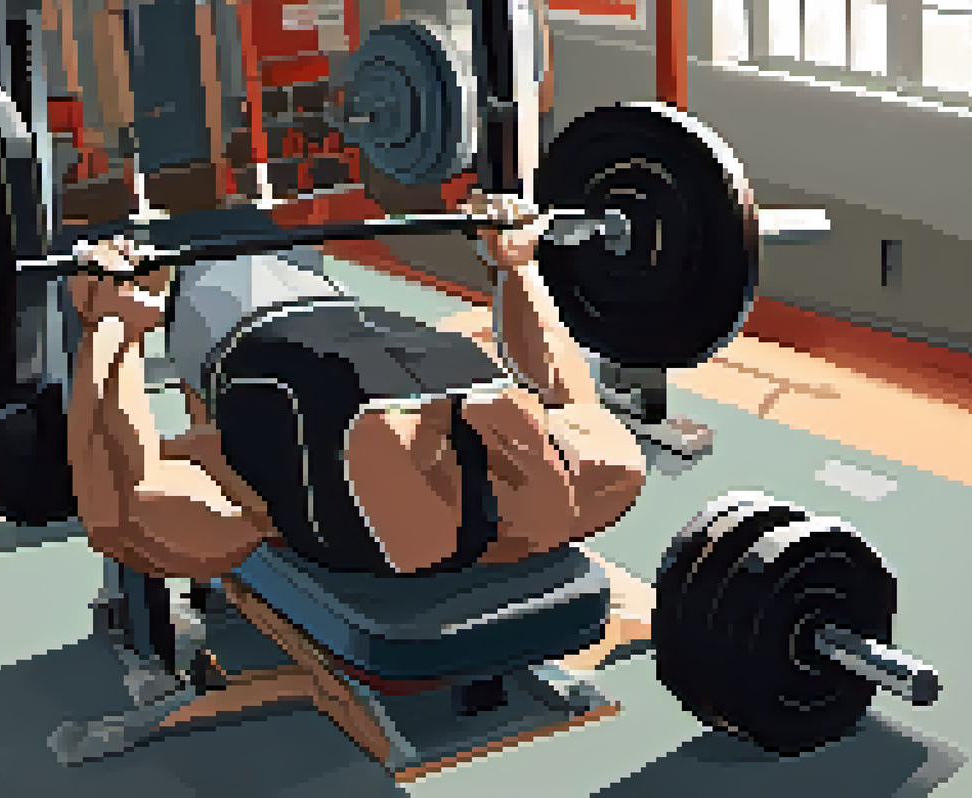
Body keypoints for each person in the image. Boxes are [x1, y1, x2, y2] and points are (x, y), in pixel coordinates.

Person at [66, 154, 649, 583]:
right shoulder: (595, 474)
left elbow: (119, 513)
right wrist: (517, 267)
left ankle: (184, 210)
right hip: (331, 308)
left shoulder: (296, 494)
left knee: (208, 231)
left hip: (227, 313)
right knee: (574, 441)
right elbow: (567, 401)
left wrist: (114, 326)